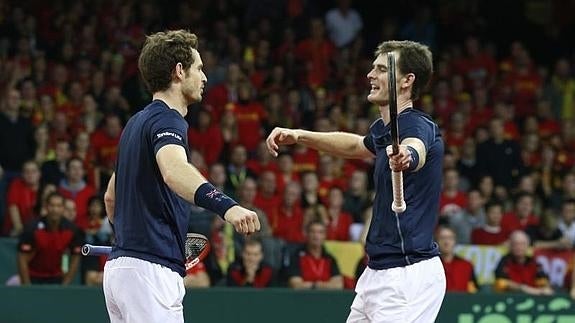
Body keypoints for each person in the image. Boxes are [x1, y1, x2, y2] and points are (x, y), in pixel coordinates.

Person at [267, 40, 445, 322]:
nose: (370, 75)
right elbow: (355, 146)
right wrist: (300, 135)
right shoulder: (382, 129)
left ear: (407, 81)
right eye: (372, 68)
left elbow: (417, 148)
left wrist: (407, 156)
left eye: (381, 70)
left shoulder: (417, 124)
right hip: (376, 274)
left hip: (407, 276)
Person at [102, 30, 260, 323]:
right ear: (179, 72)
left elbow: (111, 196)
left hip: (120, 270)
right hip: (149, 271)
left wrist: (129, 238)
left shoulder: (135, 124)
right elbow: (174, 171)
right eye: (199, 68)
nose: (205, 78)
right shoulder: (167, 119)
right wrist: (228, 206)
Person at [17, 192, 84, 285]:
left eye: (58, 206)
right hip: (34, 277)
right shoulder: (32, 228)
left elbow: (75, 257)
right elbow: (22, 258)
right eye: (52, 205)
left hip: (57, 278)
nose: (55, 209)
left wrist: (65, 283)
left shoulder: (72, 230)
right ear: (46, 207)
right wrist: (27, 285)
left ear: (63, 208)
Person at [286, 220, 344, 290]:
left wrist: (313, 285)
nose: (316, 235)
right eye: (312, 232)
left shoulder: (330, 258)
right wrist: (320, 285)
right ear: (307, 234)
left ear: (325, 236)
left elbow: (338, 285)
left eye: (320, 232)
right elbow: (295, 284)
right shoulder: (296, 257)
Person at [493, 230, 553, 295]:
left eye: (522, 244)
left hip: (533, 298)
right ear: (510, 246)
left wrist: (545, 288)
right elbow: (501, 283)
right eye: (515, 244)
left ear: (527, 246)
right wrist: (522, 288)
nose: (519, 247)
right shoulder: (504, 262)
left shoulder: (534, 262)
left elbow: (543, 281)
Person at [437, 226, 478, 293]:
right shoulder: (432, 266)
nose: (446, 242)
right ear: (437, 241)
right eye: (442, 238)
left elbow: (474, 291)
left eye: (450, 238)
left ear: (455, 241)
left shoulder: (467, 265)